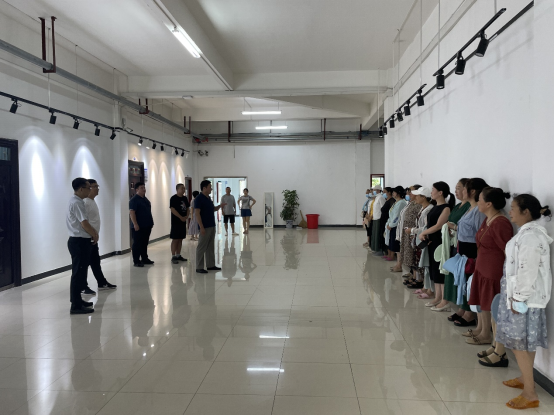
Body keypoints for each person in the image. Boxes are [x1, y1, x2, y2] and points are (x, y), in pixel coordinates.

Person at [497, 195, 552, 410]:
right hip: (520, 296)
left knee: (518, 344)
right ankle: (525, 377)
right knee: (524, 342)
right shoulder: (526, 233)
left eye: (513, 208)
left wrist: (518, 298)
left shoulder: (530, 237)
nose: (510, 212)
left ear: (526, 211)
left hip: (525, 299)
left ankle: (530, 393)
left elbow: (527, 271)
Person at [467, 187, 513, 345]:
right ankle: (482, 329)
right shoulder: (488, 219)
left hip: (493, 269)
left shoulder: (501, 223)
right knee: (482, 300)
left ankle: (488, 336)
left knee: (489, 302)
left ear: (489, 204)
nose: (477, 202)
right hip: (482, 266)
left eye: (480, 199)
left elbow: (507, 250)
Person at [447, 178, 488, 327]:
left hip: (472, 252)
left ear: (473, 191)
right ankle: (463, 309)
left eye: (464, 188)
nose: (461, 191)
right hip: (463, 250)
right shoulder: (470, 208)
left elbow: (480, 235)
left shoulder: (478, 211)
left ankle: (470, 314)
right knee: (463, 281)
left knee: (470, 282)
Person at [434, 179, 471, 310]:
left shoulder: (469, 207)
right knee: (450, 273)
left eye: (459, 188)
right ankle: (447, 300)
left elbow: (464, 227)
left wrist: (453, 227)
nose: (456, 191)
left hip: (462, 245)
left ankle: (462, 308)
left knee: (461, 276)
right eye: (455, 188)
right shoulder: (458, 206)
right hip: (451, 244)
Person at [419, 182, 455, 311]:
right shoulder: (434, 207)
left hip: (440, 242)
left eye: (433, 190)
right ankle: (437, 296)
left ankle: (444, 299)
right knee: (434, 269)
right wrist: (425, 234)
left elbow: (439, 226)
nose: (431, 192)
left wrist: (423, 233)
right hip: (431, 241)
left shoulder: (446, 208)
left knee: (440, 270)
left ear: (440, 192)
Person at [66, 178, 98, 315]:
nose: (90, 190)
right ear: (80, 189)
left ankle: (78, 300)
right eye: (88, 188)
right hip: (79, 241)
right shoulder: (77, 203)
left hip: (80, 241)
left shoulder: (77, 201)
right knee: (78, 274)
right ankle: (75, 306)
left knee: (81, 272)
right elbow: (84, 223)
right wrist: (94, 234)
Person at [83, 179, 117, 294]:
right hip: (87, 238)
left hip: (93, 238)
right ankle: (83, 286)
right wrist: (92, 234)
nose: (98, 189)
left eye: (98, 186)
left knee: (95, 262)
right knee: (84, 264)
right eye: (95, 186)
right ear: (89, 188)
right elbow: (84, 222)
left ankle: (101, 282)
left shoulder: (92, 201)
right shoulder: (86, 202)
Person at [406, 187, 434, 296]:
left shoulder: (429, 210)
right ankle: (424, 287)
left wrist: (413, 230)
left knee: (425, 265)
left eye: (417, 195)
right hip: (419, 239)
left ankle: (428, 288)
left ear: (424, 197)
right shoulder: (423, 208)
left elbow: (425, 228)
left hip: (424, 240)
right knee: (420, 264)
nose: (415, 197)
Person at [195, 180, 226, 274]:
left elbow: (213, 209)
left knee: (210, 246)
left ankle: (210, 265)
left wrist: (220, 206)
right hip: (204, 226)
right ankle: (199, 267)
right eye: (209, 187)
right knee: (201, 247)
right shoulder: (199, 198)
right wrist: (201, 227)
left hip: (212, 225)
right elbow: (197, 213)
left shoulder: (208, 198)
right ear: (204, 188)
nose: (211, 188)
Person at [398, 185, 423, 279]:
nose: (409, 194)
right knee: (408, 252)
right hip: (407, 231)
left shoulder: (419, 205)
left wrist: (412, 231)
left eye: (411, 192)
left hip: (413, 232)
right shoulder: (411, 203)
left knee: (412, 253)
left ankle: (416, 276)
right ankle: (412, 273)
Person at [129, 182, 155, 268]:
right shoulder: (134, 200)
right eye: (141, 188)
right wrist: (135, 224)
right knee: (137, 244)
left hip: (147, 225)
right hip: (138, 226)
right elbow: (132, 213)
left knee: (144, 243)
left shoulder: (145, 199)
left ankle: (144, 258)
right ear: (137, 190)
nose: (144, 189)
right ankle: (136, 261)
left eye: (144, 187)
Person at [386, 186, 407, 265]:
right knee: (392, 242)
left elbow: (397, 216)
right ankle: (395, 261)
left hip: (396, 226)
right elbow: (392, 214)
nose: (393, 193)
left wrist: (391, 225)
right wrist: (389, 223)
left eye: (394, 192)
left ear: (398, 193)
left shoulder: (401, 203)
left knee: (396, 244)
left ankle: (398, 263)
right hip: (392, 225)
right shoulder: (396, 202)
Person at [170, 184, 190, 265]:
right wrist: (180, 217)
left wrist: (187, 216)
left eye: (184, 188)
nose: (184, 190)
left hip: (183, 221)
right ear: (177, 189)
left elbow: (188, 208)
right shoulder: (173, 198)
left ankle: (178, 254)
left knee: (181, 238)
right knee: (175, 239)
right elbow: (172, 209)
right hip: (176, 222)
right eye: (182, 188)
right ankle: (173, 256)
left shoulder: (185, 198)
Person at [376, 187, 394, 257]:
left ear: (389, 192)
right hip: (383, 220)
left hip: (387, 220)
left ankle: (387, 252)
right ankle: (383, 250)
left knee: (386, 236)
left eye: (384, 192)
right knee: (382, 235)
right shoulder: (387, 200)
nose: (383, 193)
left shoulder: (392, 201)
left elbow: (392, 212)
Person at [370, 186, 385, 254]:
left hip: (379, 218)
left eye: (374, 190)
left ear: (378, 190)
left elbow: (383, 208)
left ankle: (379, 249)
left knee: (378, 234)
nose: (373, 191)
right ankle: (374, 248)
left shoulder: (381, 197)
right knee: (374, 234)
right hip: (375, 218)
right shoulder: (376, 197)